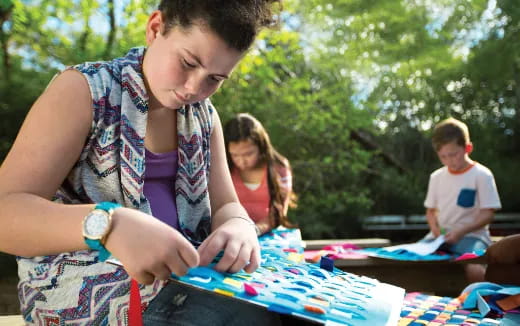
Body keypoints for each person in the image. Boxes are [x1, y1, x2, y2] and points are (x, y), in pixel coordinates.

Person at [0, 1, 285, 325]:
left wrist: (239, 225)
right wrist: (108, 225)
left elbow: (226, 206)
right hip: (84, 300)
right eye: (188, 62)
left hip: (189, 288)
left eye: (215, 78)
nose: (194, 88)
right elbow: (5, 211)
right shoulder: (83, 92)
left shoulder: (205, 117)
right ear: (155, 28)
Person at [423, 117, 502, 282]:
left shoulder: (482, 175)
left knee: (474, 266)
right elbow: (430, 212)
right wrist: (436, 231)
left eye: (453, 154)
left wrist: (461, 232)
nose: (449, 161)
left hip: (473, 236)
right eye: (443, 156)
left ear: (468, 148)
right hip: (438, 238)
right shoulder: (436, 177)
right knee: (408, 260)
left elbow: (488, 214)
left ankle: (485, 303)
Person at [223, 113, 296, 235]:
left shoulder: (279, 167)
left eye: (248, 154)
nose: (242, 161)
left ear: (261, 146)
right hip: (231, 231)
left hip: (268, 233)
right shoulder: (225, 167)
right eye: (235, 155)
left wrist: (254, 230)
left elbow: (278, 212)